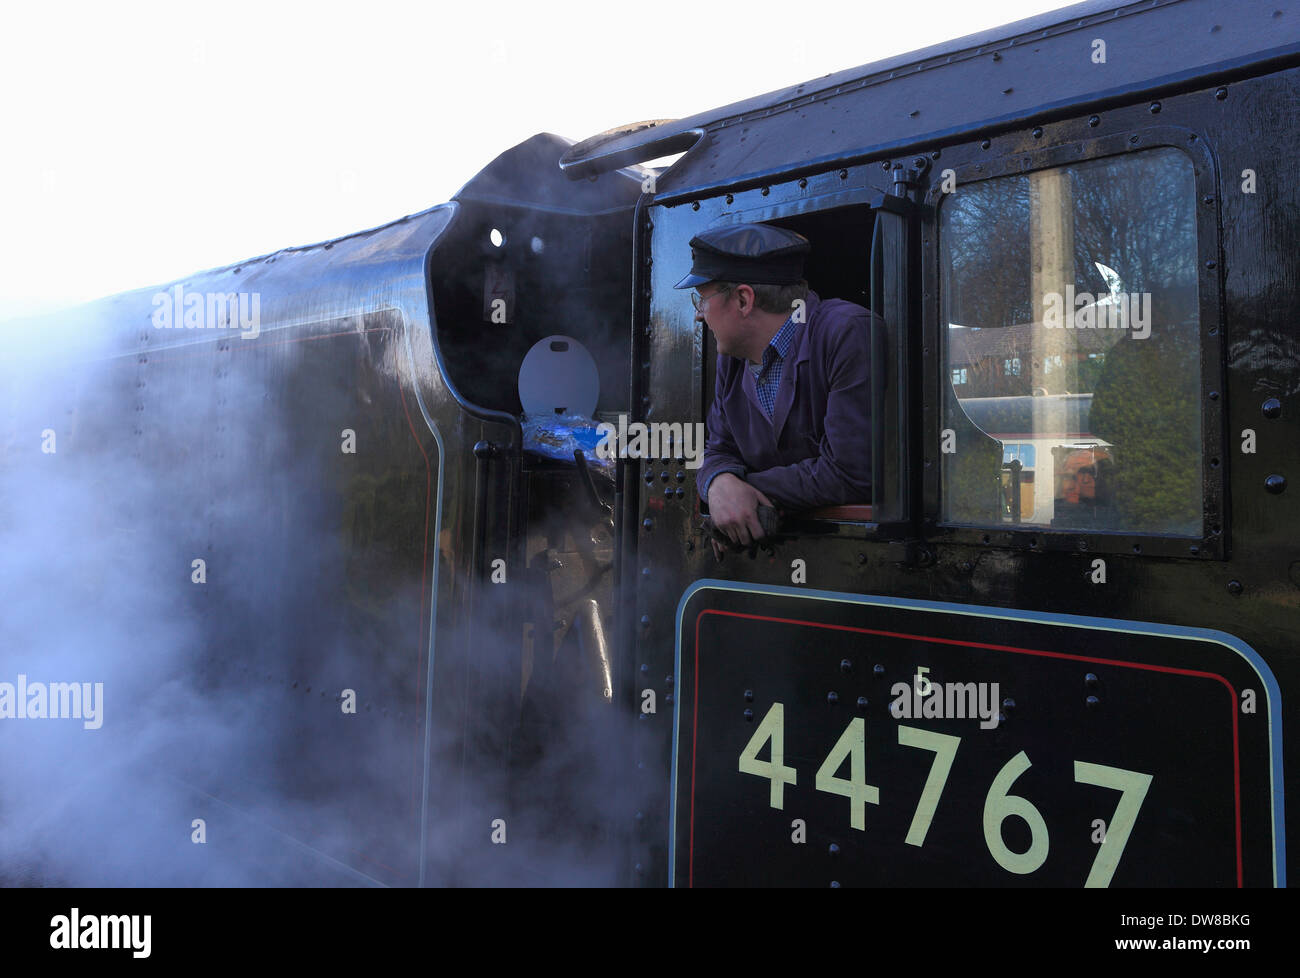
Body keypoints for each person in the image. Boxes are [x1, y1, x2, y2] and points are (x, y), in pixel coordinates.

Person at [675, 222, 875, 551]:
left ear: (743, 299)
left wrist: (739, 492)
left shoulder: (846, 334)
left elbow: (849, 472)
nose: (699, 315)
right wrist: (718, 482)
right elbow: (718, 449)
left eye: (702, 299)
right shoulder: (733, 359)